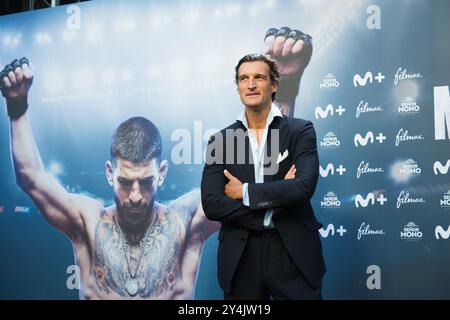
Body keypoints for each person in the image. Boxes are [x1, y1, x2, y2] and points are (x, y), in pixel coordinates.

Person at [0, 58, 219, 299]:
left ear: (162, 173)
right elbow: (31, 177)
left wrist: (270, 88)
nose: (135, 196)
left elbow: (251, 188)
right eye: (125, 182)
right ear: (109, 173)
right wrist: (17, 107)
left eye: (146, 182)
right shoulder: (88, 221)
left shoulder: (185, 222)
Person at [201, 27, 326, 299]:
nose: (251, 84)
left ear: (275, 84)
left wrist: (244, 193)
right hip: (241, 256)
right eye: (244, 78)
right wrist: (279, 195)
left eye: (259, 77)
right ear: (237, 88)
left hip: (293, 254)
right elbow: (212, 204)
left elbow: (303, 187)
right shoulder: (220, 140)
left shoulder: (301, 130)